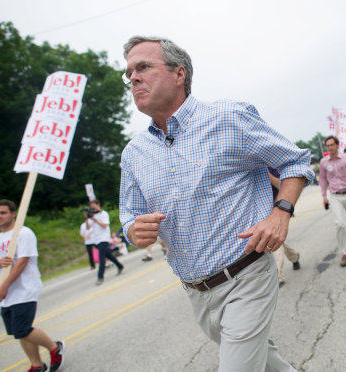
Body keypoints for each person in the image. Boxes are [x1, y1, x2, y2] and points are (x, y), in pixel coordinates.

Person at [119, 36, 314, 371]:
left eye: (144, 67)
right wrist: (133, 231)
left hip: (247, 274)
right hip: (197, 292)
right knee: (266, 364)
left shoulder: (228, 118)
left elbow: (295, 164)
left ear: (179, 75)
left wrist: (280, 213)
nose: (133, 78)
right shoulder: (133, 154)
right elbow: (129, 216)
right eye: (129, 73)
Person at [0, 200, 64, 372]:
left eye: (3, 213)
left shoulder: (23, 233)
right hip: (8, 294)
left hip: (25, 289)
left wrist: (4, 286)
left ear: (13, 213)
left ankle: (55, 349)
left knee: (22, 329)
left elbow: (22, 262)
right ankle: (36, 365)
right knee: (18, 331)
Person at [320, 136, 346, 267]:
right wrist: (324, 198)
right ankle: (344, 253)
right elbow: (322, 180)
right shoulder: (324, 162)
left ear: (337, 145)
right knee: (340, 224)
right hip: (335, 196)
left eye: (332, 145)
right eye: (328, 145)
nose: (330, 147)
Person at [269, 168, 301, 287]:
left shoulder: (272, 167)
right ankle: (294, 256)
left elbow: (282, 185)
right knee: (277, 241)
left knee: (274, 244)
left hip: (278, 210)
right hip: (262, 213)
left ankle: (279, 277)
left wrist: (268, 175)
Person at [86, 199, 124, 285]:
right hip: (96, 240)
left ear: (98, 204)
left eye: (93, 207)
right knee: (109, 255)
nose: (92, 209)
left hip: (104, 239)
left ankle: (100, 277)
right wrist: (87, 218)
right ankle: (120, 266)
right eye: (91, 207)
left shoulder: (104, 214)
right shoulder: (91, 216)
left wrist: (95, 219)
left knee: (102, 258)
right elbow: (88, 228)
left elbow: (104, 225)